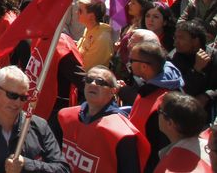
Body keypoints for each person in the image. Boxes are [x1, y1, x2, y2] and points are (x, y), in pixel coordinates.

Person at [56, 65, 149, 173]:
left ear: (113, 91)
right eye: (89, 80)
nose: (93, 84)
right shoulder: (65, 116)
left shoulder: (121, 132)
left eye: (100, 82)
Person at [128, 41, 184, 172]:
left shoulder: (163, 103)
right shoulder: (152, 87)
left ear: (144, 67)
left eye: (132, 60)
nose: (129, 63)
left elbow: (161, 149)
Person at [154, 92, 212, 173]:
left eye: (160, 109)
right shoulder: (212, 148)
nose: (157, 113)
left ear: (170, 123)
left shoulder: (168, 169)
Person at [75, 0, 114, 70]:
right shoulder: (89, 29)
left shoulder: (102, 39)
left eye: (80, 11)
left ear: (91, 17)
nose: (76, 12)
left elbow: (87, 68)